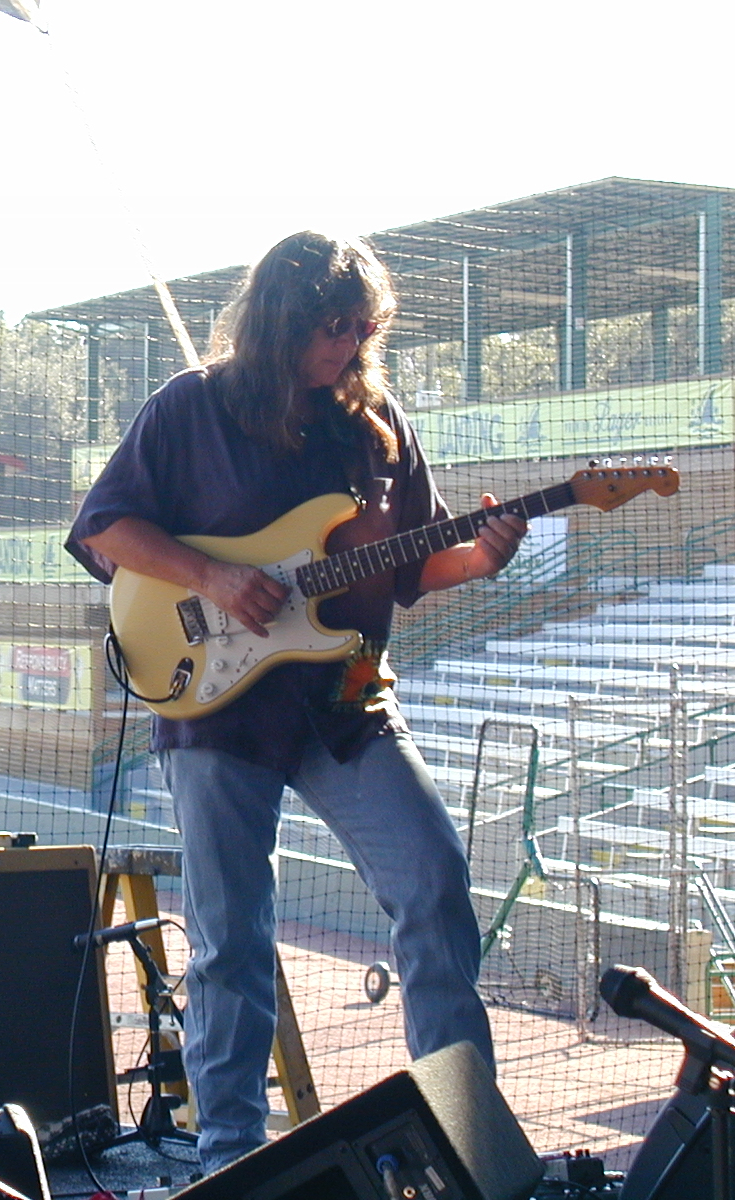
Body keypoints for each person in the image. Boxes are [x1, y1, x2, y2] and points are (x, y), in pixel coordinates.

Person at [66, 231, 526, 1175]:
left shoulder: (377, 425)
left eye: (365, 327)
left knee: (436, 882)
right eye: (334, 326)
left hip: (345, 701)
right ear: (281, 320)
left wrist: (480, 558)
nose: (352, 344)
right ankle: (231, 1161)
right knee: (231, 937)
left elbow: (416, 560)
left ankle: (464, 1146)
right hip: (217, 707)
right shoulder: (192, 406)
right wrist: (213, 578)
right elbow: (104, 526)